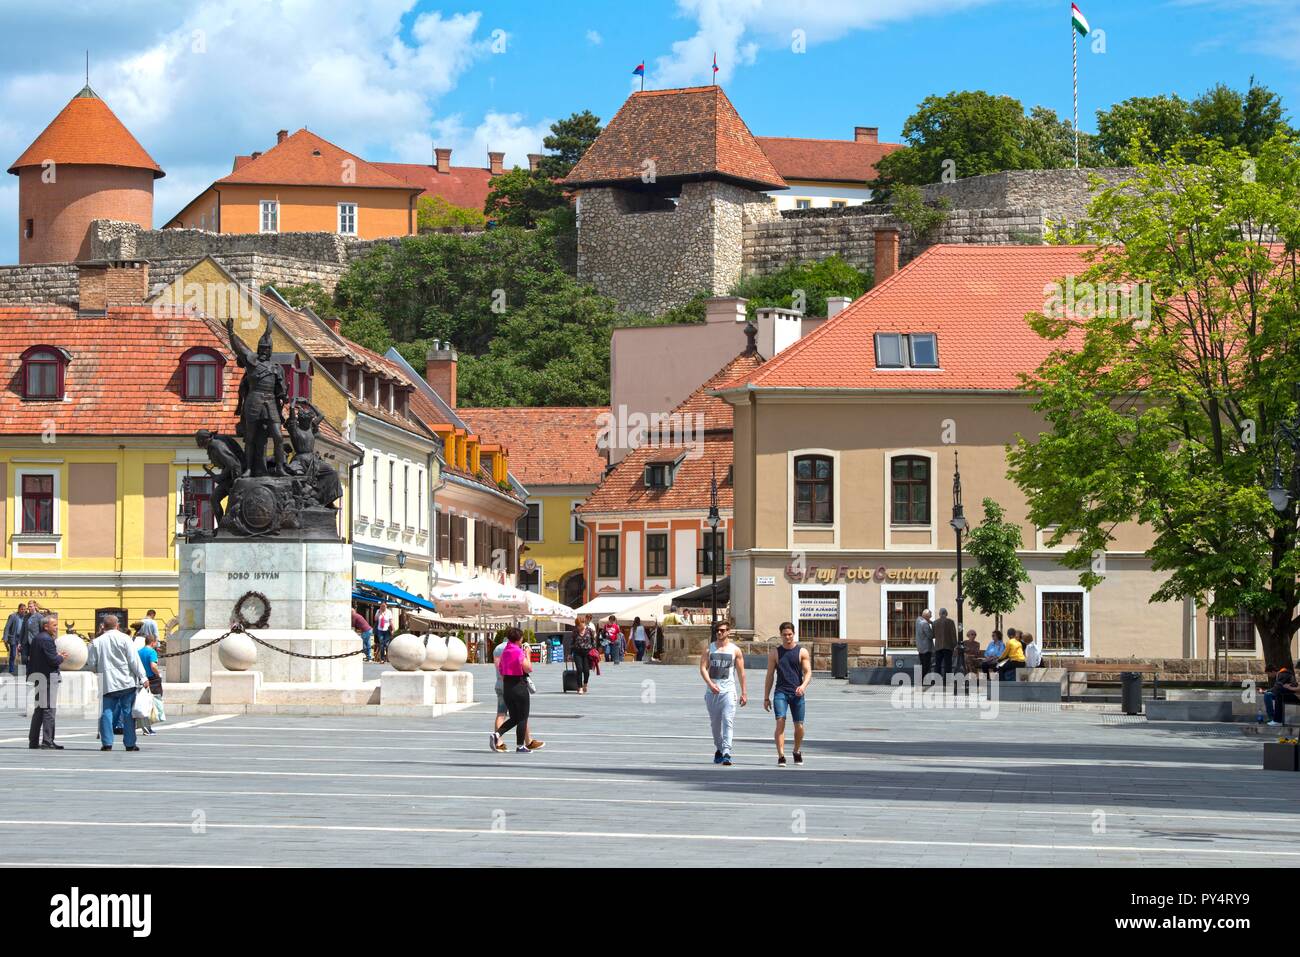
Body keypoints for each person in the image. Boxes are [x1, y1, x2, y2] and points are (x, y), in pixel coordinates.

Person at [85, 614, 149, 752]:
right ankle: (130, 743)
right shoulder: (125, 639)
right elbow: (134, 660)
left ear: (103, 626)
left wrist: (99, 671)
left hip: (107, 682)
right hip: (126, 681)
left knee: (107, 712)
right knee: (127, 713)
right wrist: (143, 677)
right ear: (117, 625)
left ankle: (107, 743)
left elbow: (91, 663)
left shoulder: (97, 642)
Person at [699, 621, 747, 765]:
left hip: (728, 692)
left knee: (728, 721)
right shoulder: (710, 649)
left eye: (722, 630)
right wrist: (710, 684)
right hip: (712, 692)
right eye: (717, 631)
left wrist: (744, 692)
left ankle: (726, 752)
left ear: (728, 632)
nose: (719, 633)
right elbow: (702, 668)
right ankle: (719, 748)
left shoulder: (735, 650)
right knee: (715, 725)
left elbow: (741, 673)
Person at [764, 621, 810, 767]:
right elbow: (770, 675)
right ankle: (781, 755)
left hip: (797, 693)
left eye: (790, 634)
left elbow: (808, 672)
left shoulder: (802, 652)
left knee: (799, 726)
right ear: (780, 635)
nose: (787, 637)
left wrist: (803, 686)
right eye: (784, 635)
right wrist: (766, 697)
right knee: (780, 722)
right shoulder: (775, 653)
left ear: (794, 634)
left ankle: (796, 751)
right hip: (781, 692)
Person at [490, 627, 538, 753]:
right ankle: (520, 745)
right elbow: (528, 668)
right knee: (523, 716)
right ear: (518, 639)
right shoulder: (518, 651)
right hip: (518, 686)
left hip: (507, 687)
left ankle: (497, 734)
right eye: (521, 638)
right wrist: (527, 653)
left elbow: (501, 669)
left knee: (515, 717)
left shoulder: (505, 652)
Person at [27, 612, 69, 750]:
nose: (56, 627)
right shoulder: (47, 639)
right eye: (54, 625)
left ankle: (33, 741)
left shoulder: (37, 638)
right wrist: (61, 657)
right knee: (49, 710)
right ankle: (47, 741)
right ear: (46, 626)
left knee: (39, 710)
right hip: (48, 678)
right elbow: (53, 660)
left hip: (39, 677)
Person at [136, 633, 163, 735]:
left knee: (143, 703)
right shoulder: (152, 652)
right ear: (152, 643)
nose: (156, 644)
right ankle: (148, 727)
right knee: (152, 703)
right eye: (156, 642)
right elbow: (153, 666)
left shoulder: (139, 652)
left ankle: (145, 727)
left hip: (141, 679)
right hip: (152, 680)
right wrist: (158, 674)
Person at [569, 615, 595, 694]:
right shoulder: (575, 632)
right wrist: (570, 654)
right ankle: (579, 687)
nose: (580, 627)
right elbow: (572, 643)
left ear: (584, 623)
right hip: (577, 653)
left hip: (587, 653)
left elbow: (593, 641)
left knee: (586, 671)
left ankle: (585, 684)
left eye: (582, 625)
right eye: (578, 626)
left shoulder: (589, 631)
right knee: (579, 669)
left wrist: (594, 651)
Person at [933, 608, 958, 679]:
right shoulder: (950, 622)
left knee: (938, 664)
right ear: (946, 613)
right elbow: (953, 634)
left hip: (938, 647)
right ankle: (947, 680)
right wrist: (955, 645)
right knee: (948, 664)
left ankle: (937, 679)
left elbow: (933, 635)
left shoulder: (935, 622)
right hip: (948, 646)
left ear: (940, 614)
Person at [3, 603, 24, 676]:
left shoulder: (26, 617)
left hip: (21, 638)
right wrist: (5, 637)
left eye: (24, 609)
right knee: (13, 654)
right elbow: (7, 627)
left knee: (23, 654)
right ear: (18, 609)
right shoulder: (13, 616)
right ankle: (11, 670)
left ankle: (23, 670)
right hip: (14, 637)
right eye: (21, 609)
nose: (23, 611)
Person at [914, 609, 934, 681]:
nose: (931, 617)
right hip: (926, 648)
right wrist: (933, 627)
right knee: (926, 666)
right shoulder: (925, 624)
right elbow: (931, 635)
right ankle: (920, 680)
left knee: (922, 664)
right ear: (926, 616)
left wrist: (929, 622)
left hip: (920, 647)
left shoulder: (918, 620)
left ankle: (923, 680)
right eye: (930, 616)